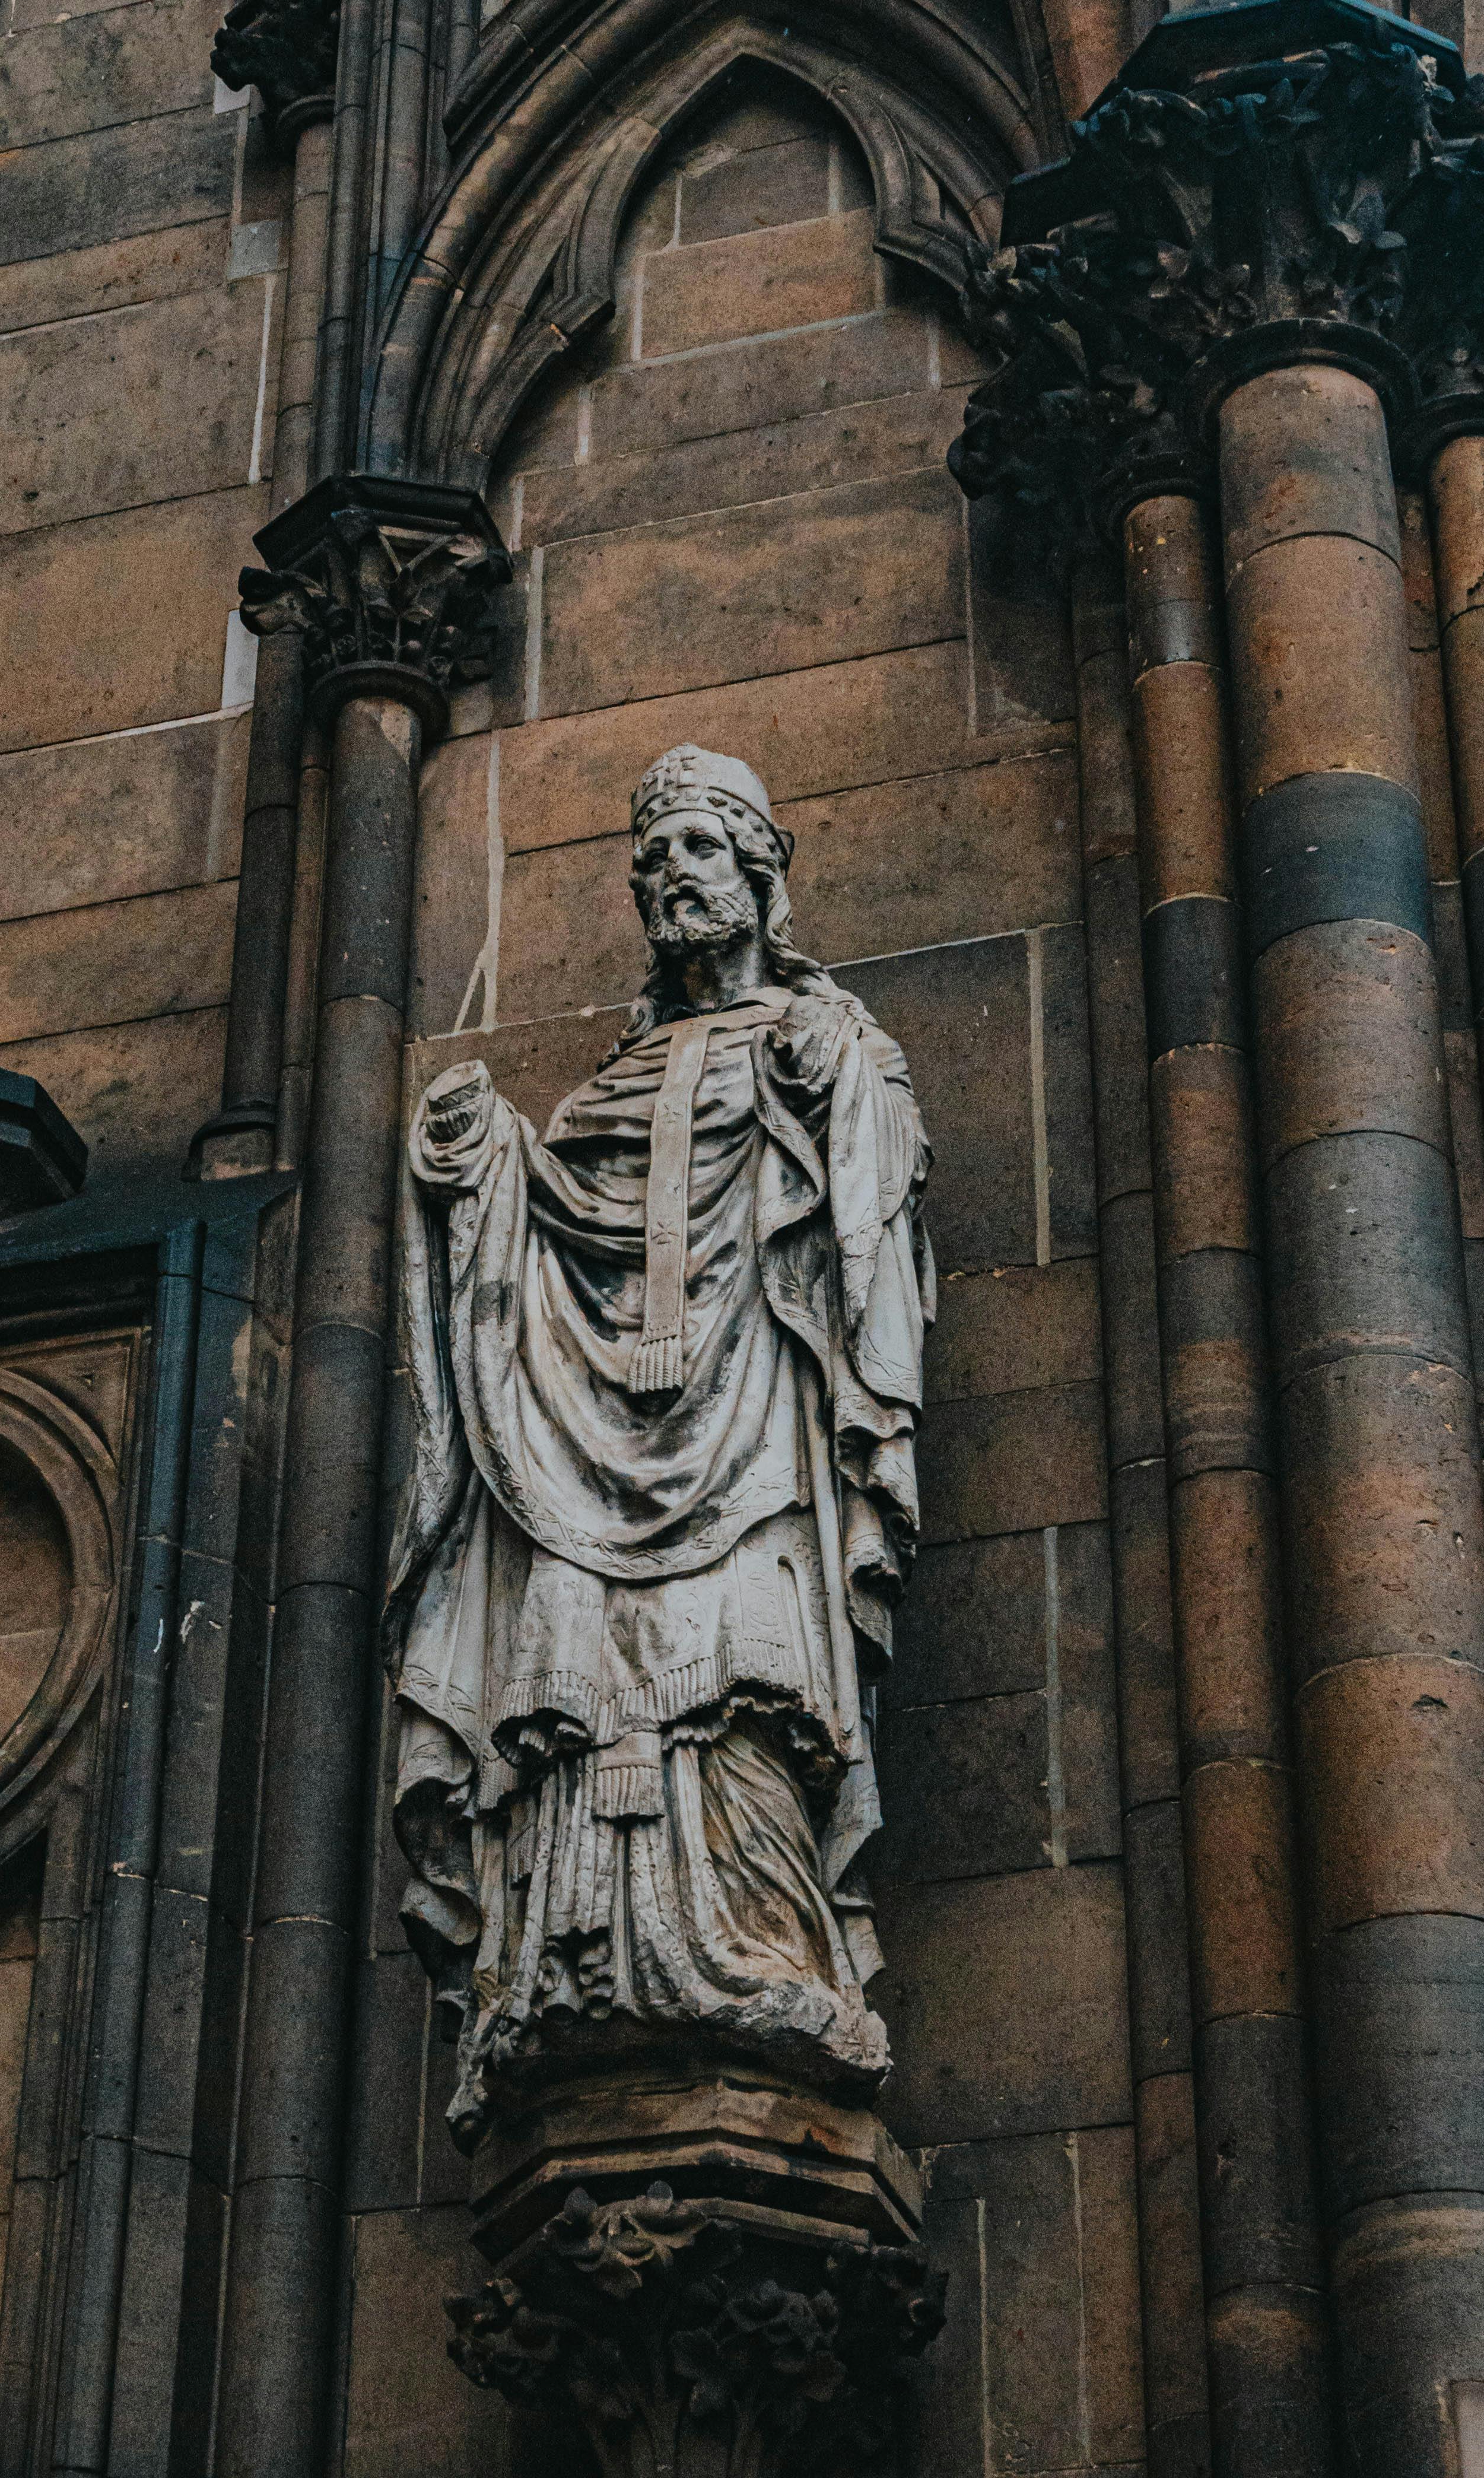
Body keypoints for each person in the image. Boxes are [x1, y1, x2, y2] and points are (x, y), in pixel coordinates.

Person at [382, 745, 934, 2139]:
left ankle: (757, 1949)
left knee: (739, 1687)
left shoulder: (823, 1041)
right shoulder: (616, 1081)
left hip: (754, 1435)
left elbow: (875, 1199)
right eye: (652, 862)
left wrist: (835, 1082)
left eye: (695, 850)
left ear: (758, 872)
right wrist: (483, 1159)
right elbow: (558, 1232)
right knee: (580, 1693)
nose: (668, 879)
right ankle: (562, 1970)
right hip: (585, 1450)